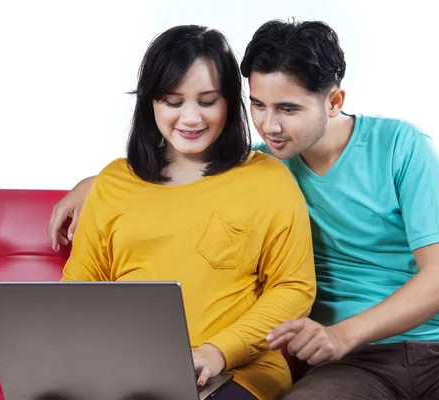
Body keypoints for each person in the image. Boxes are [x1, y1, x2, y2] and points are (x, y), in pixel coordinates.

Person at [49, 19, 439, 400]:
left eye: (289, 110)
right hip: (349, 368)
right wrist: (97, 182)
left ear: (334, 101)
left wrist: (340, 335)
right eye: (257, 105)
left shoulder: (401, 147)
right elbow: (181, 176)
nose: (270, 126)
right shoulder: (266, 164)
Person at [57, 24, 316, 400]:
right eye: (173, 102)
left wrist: (218, 352)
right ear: (151, 103)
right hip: (129, 373)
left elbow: (293, 288)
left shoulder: (268, 180)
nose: (191, 119)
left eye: (208, 101)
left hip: (237, 373)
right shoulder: (114, 182)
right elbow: (81, 285)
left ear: (230, 102)